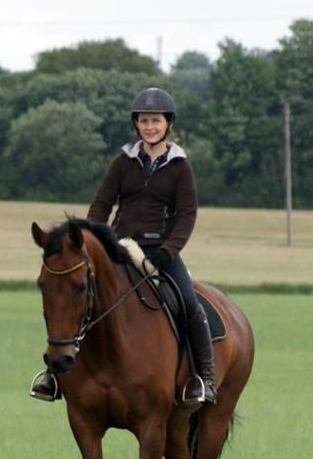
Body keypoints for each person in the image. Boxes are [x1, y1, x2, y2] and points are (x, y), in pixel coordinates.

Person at [31, 87, 216, 404]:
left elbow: (187, 215)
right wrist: (89, 241)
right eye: (144, 121)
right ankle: (56, 374)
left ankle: (204, 379)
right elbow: (102, 204)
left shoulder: (179, 166)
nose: (150, 127)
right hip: (119, 248)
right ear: (137, 124)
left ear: (167, 124)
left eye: (156, 121)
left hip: (161, 253)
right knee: (77, 296)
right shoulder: (123, 161)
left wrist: (167, 251)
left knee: (189, 303)